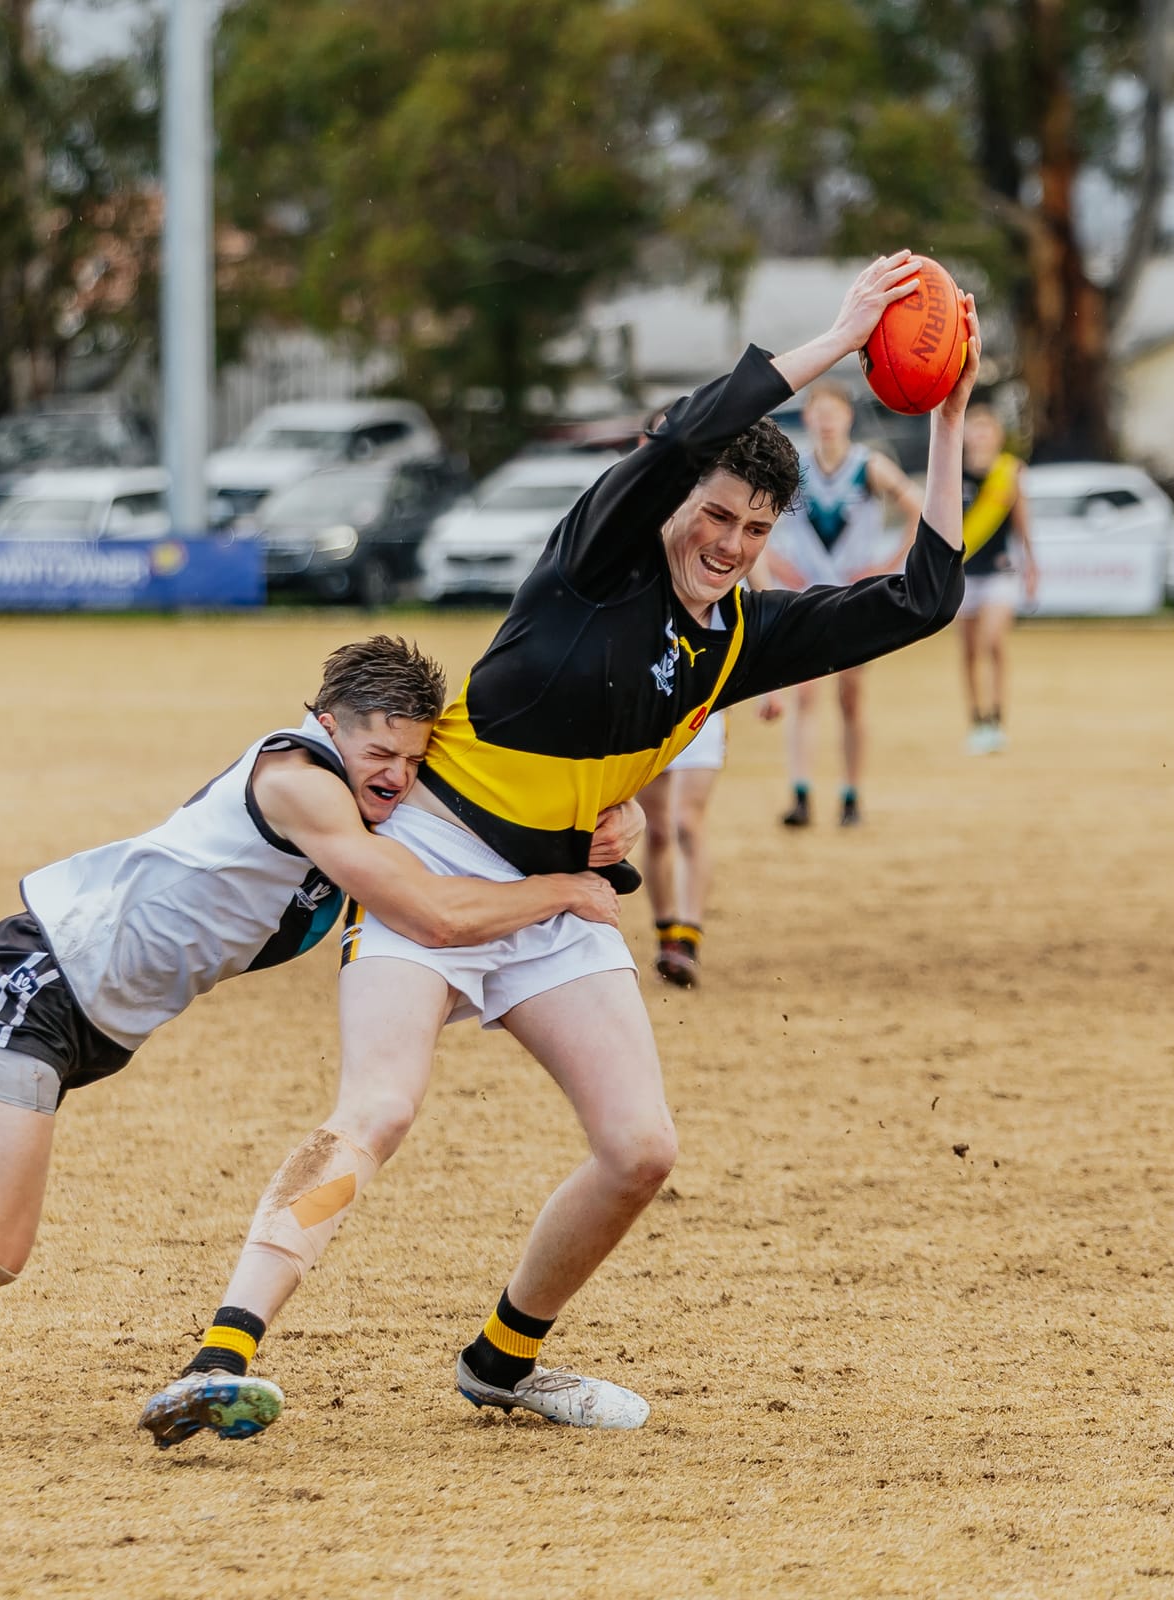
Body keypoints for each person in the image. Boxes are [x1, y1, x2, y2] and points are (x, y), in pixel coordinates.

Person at [142, 253, 976, 1447]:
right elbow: (690, 427)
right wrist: (836, 341)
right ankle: (218, 1353)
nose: (727, 542)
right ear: (674, 504)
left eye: (751, 526)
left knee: (640, 1149)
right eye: (711, 514)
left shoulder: (746, 638)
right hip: (433, 861)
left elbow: (923, 596)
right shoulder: (596, 560)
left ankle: (501, 1361)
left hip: (560, 900)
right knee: (376, 1109)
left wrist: (944, 416)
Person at [0, 636, 629, 1440]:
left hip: (84, 1014)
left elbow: (470, 835)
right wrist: (569, 889)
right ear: (325, 721)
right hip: (45, 982)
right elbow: (435, 914)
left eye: (409, 757)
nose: (394, 775)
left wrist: (588, 826)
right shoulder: (303, 781)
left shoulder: (363, 801)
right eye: (378, 750)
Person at [765, 382, 923, 828]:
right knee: (805, 694)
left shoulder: (868, 466)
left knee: (851, 699)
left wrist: (888, 565)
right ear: (809, 418)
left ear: (848, 418)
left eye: (834, 411)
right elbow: (752, 516)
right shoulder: (792, 469)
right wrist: (776, 562)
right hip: (806, 597)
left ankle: (851, 794)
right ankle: (800, 794)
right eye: (819, 412)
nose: (827, 420)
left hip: (853, 598)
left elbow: (920, 508)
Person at [956, 404, 1037, 754]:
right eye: (974, 428)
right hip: (961, 573)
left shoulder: (1010, 471)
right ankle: (977, 719)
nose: (980, 435)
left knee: (993, 642)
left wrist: (1032, 564)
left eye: (986, 428)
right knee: (969, 651)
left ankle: (997, 715)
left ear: (998, 436)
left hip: (999, 572)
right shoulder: (952, 471)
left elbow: (1022, 522)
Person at [637, 706, 724, 987]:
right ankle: (666, 933)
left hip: (705, 710)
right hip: (650, 708)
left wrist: (768, 692)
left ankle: (688, 941)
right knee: (657, 832)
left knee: (686, 823)